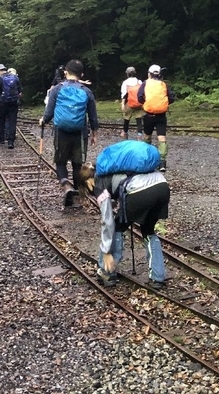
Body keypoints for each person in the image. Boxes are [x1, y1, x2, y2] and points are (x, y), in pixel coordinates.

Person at [80, 142, 169, 289]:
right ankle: (157, 278)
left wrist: (106, 250)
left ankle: (107, 271)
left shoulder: (99, 184)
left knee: (117, 228)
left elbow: (107, 221)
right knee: (148, 231)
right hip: (162, 186)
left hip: (140, 192)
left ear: (88, 181)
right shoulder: (121, 169)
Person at [40, 59, 98, 207]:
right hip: (80, 133)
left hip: (61, 132)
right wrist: (94, 134)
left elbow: (49, 113)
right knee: (78, 164)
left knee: (60, 162)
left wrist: (43, 121)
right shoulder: (86, 91)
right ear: (82, 74)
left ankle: (66, 186)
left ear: (66, 72)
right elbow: (92, 116)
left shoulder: (57, 89)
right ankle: (78, 196)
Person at [137, 64, 175, 171]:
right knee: (161, 137)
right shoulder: (163, 84)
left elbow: (139, 97)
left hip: (149, 115)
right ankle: (162, 163)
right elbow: (171, 98)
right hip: (161, 115)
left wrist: (146, 103)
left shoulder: (145, 83)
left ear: (149, 73)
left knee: (147, 136)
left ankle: (147, 159)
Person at [0, 63, 22, 148]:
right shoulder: (15, 77)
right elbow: (20, 90)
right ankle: (11, 142)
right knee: (12, 121)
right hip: (14, 103)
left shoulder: (0, 79)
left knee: (2, 120)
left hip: (2, 103)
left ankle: (1, 139)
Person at [120, 66, 144, 140]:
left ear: (127, 74)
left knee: (126, 119)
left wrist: (122, 104)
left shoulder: (125, 82)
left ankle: (125, 134)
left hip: (129, 103)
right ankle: (139, 136)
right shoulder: (139, 81)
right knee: (139, 120)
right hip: (139, 103)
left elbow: (124, 94)